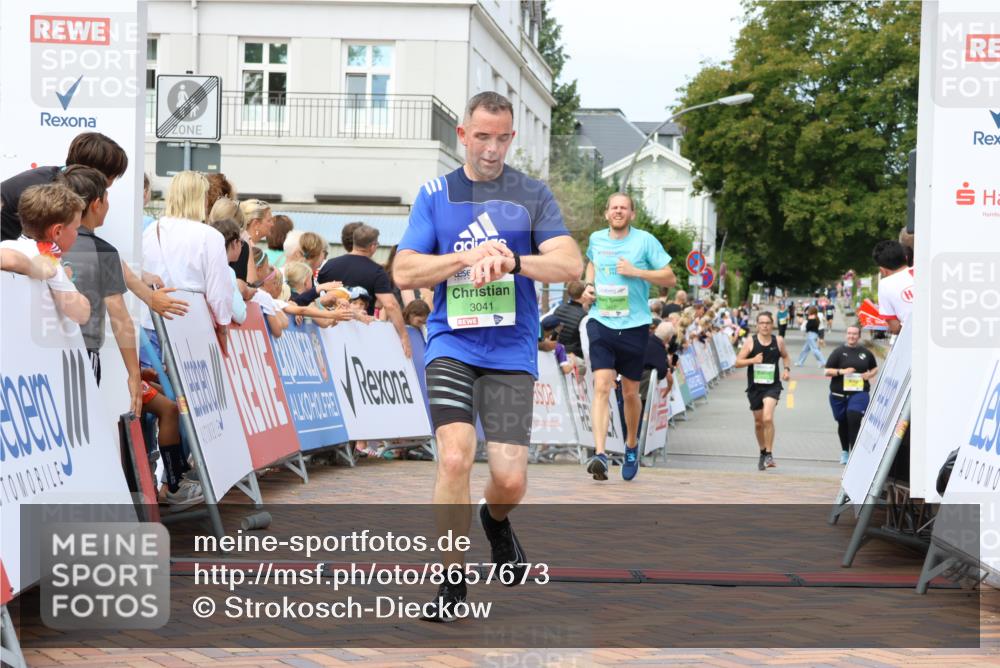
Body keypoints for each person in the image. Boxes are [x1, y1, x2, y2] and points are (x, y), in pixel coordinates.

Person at [392, 91, 582, 622]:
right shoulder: (436, 195)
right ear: (463, 135)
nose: (491, 148)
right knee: (455, 456)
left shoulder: (531, 194)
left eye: (501, 138)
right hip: (451, 343)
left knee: (510, 479)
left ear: (511, 138)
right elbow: (403, 271)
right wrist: (465, 257)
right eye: (481, 137)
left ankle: (494, 520)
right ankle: (452, 583)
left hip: (510, 351)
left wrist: (513, 262)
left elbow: (570, 264)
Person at [583, 192, 676, 482]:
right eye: (614, 208)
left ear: (632, 214)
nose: (618, 211)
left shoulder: (645, 241)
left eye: (624, 208)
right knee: (601, 385)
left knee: (630, 393)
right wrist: (588, 284)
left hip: (634, 325)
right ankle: (600, 453)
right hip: (601, 320)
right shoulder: (597, 239)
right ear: (606, 213)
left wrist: (637, 272)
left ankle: (631, 444)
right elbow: (592, 263)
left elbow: (670, 278)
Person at [59, 165, 142, 412]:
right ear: (97, 204)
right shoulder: (103, 251)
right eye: (107, 198)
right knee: (81, 421)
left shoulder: (42, 242)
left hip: (39, 355)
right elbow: (119, 314)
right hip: (84, 351)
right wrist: (133, 374)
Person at [142, 171, 233, 355]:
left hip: (152, 323)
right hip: (192, 326)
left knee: (152, 374)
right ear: (201, 198)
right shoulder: (210, 236)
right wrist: (223, 328)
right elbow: (219, 293)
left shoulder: (151, 230)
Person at [294, 224, 411, 357]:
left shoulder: (329, 266)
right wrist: (404, 335)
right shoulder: (377, 271)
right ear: (373, 246)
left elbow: (316, 298)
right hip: (361, 337)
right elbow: (390, 304)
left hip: (328, 337)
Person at [2, 132, 128, 240]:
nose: (109, 186)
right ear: (94, 173)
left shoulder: (60, 178)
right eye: (112, 177)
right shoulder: (51, 191)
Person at [0, 183, 90, 324]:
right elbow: (81, 314)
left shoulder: (7, 245)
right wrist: (59, 275)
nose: (77, 234)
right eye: (76, 228)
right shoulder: (46, 259)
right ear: (57, 231)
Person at [734, 311, 791, 470]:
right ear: (757, 325)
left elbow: (785, 356)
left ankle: (769, 454)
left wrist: (786, 369)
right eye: (762, 323)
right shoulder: (750, 342)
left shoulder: (778, 340)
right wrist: (753, 360)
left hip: (772, 386)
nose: (765, 326)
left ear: (772, 325)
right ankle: (762, 451)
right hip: (755, 387)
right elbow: (737, 362)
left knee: (767, 418)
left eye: (767, 323)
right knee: (759, 422)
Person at [824, 325, 878, 464]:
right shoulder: (838, 352)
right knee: (843, 422)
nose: (851, 336)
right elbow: (827, 371)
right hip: (839, 394)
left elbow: (874, 368)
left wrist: (869, 374)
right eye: (849, 333)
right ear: (846, 335)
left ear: (859, 336)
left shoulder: (865, 353)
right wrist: (842, 372)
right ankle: (845, 451)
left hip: (859, 393)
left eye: (854, 334)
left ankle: (854, 454)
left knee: (854, 418)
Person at [210, 218, 249, 325]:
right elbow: (240, 314)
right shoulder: (227, 271)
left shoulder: (205, 265)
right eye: (241, 242)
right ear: (234, 243)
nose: (241, 246)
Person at [873, 239, 914, 335]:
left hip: (915, 337)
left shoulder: (885, 284)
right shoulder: (925, 271)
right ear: (905, 258)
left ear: (882, 270)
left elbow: (895, 327)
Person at [551, 279, 588, 358]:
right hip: (573, 356)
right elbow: (585, 345)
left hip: (556, 353)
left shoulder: (558, 308)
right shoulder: (584, 316)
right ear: (583, 294)